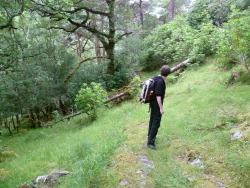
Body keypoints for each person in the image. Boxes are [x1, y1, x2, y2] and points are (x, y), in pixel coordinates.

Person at [147, 65, 171, 150]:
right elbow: (158, 96)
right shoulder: (161, 82)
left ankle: (150, 136)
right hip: (157, 104)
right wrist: (161, 108)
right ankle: (150, 142)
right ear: (168, 74)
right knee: (156, 122)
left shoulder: (156, 77)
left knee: (152, 120)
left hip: (152, 103)